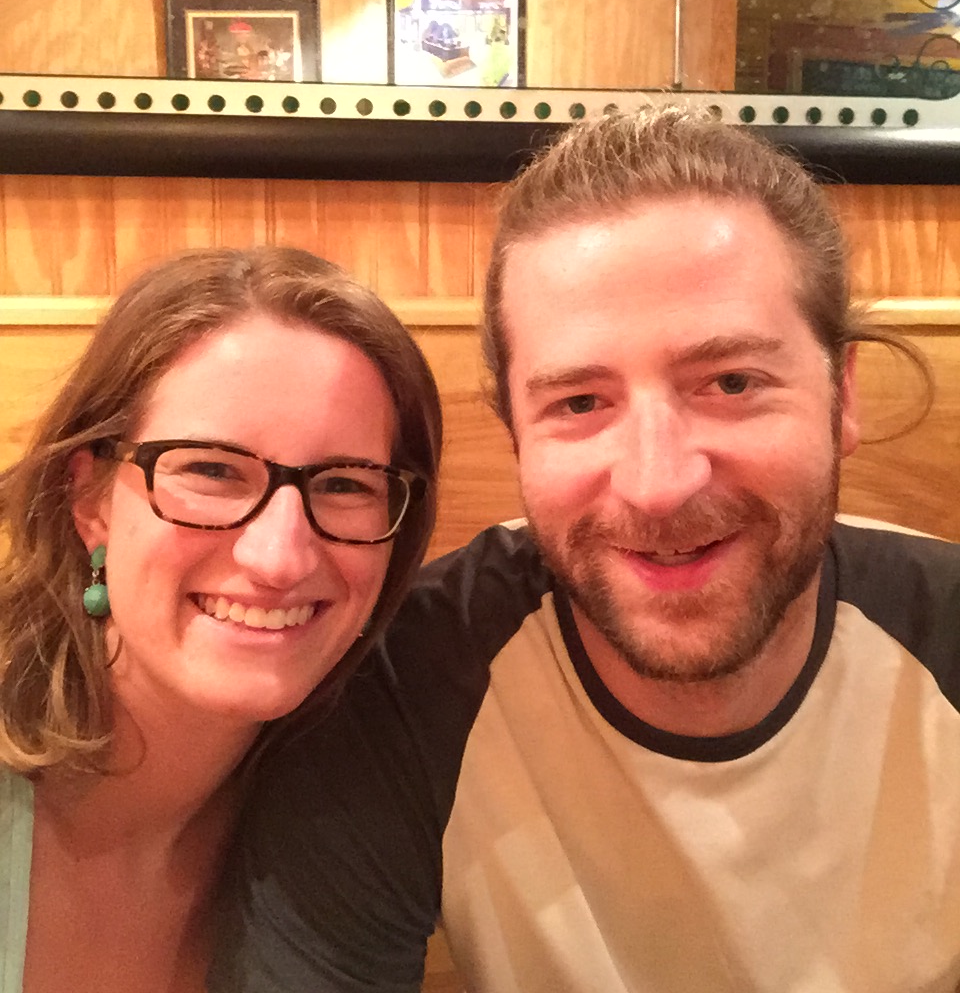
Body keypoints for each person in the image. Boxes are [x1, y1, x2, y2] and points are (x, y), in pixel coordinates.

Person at [211, 107, 960, 993]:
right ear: (516, 434)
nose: (657, 483)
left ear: (842, 398)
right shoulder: (402, 693)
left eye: (731, 382)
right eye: (578, 403)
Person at [0, 245, 441, 993]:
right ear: (90, 498)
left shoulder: (361, 819)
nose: (280, 557)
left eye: (343, 484)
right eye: (210, 470)